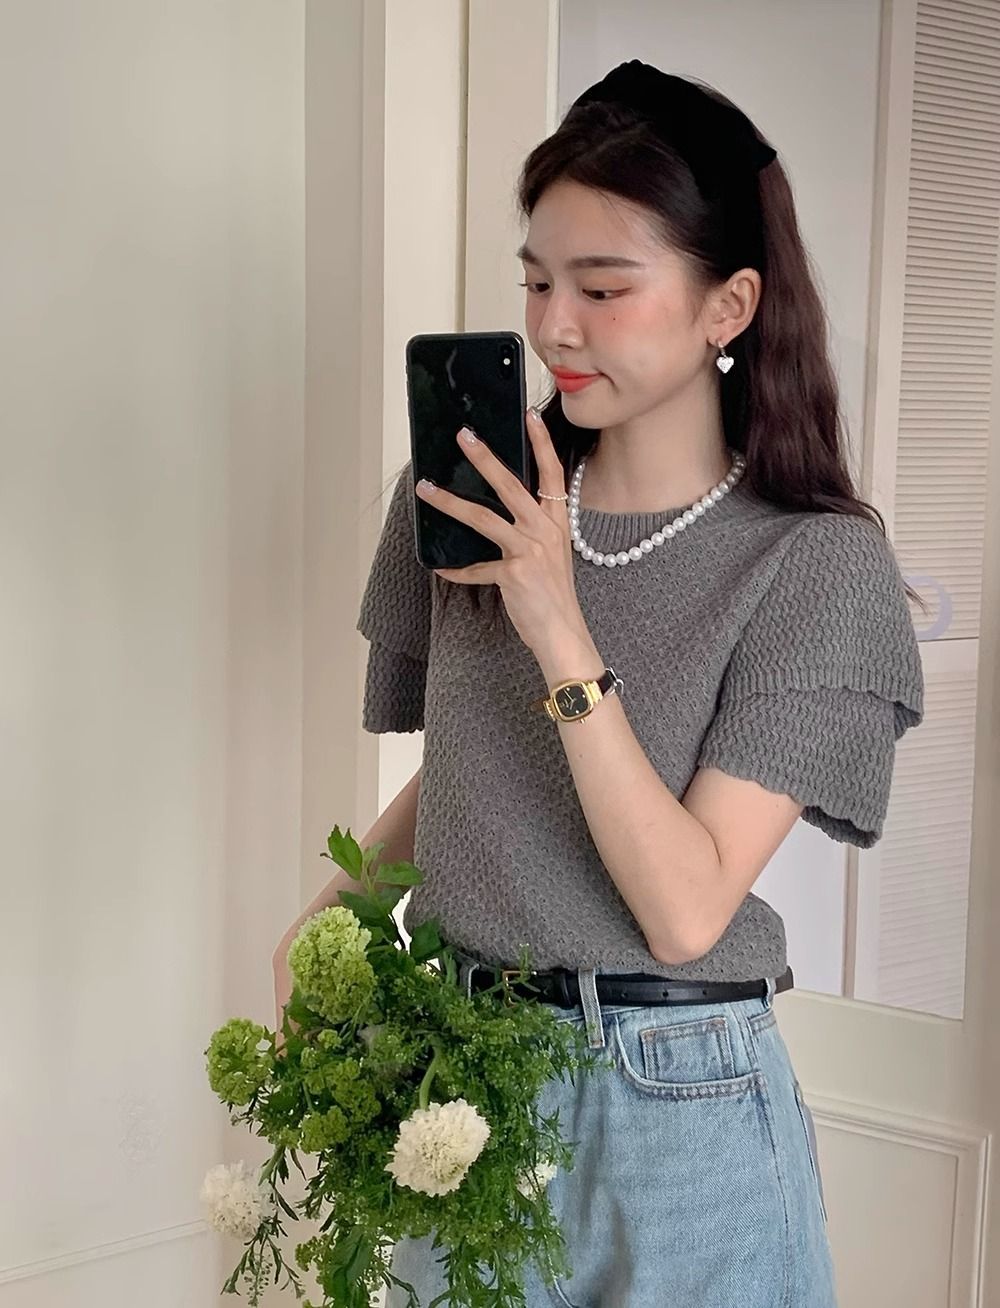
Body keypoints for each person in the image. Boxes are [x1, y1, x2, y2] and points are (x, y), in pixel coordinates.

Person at [274, 60, 926, 1308]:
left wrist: (558, 626)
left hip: (678, 1103)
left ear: (728, 305)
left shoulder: (814, 564)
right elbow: (473, 764)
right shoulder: (468, 501)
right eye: (536, 281)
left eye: (603, 288)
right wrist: (336, 916)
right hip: (464, 1079)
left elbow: (684, 910)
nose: (553, 327)